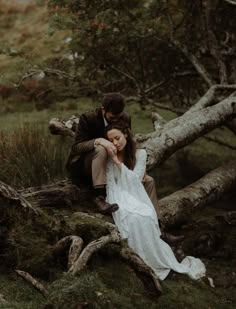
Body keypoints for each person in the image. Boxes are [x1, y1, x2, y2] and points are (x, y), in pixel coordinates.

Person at [105, 121, 206, 280]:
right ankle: (140, 257)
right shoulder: (110, 155)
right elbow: (111, 182)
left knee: (144, 214)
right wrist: (113, 158)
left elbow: (136, 181)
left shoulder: (140, 154)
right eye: (110, 141)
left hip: (134, 192)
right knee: (132, 218)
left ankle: (157, 249)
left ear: (125, 133)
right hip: (117, 192)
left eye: (117, 138)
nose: (115, 143)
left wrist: (117, 162)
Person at [66, 93, 161, 218]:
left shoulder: (125, 117)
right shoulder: (88, 118)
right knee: (101, 149)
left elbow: (127, 144)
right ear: (103, 109)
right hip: (87, 166)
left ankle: (158, 224)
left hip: (114, 165)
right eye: (112, 117)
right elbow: (76, 148)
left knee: (149, 180)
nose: (116, 119)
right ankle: (100, 197)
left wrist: (139, 170)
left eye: (119, 116)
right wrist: (98, 140)